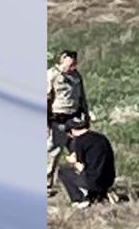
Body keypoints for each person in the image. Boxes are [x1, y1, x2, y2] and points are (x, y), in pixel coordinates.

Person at [47, 49, 90, 190]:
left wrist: (86, 115)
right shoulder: (52, 75)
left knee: (79, 150)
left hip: (74, 118)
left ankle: (84, 184)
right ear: (62, 59)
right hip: (58, 118)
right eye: (69, 63)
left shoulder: (76, 76)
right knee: (54, 151)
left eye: (74, 63)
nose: (71, 67)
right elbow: (46, 98)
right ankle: (47, 184)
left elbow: (82, 97)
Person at [57, 116, 116, 207]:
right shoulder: (101, 137)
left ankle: (80, 198)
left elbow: (80, 166)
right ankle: (100, 194)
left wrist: (72, 160)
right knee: (96, 170)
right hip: (108, 180)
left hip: (93, 181)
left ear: (72, 131)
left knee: (63, 171)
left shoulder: (80, 141)